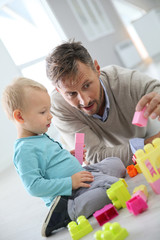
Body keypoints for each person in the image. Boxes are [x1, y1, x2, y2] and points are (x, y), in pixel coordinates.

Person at [2, 77, 126, 237]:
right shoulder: (24, 150)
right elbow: (34, 186)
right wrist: (70, 182)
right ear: (20, 117)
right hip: (68, 195)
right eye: (42, 112)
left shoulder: (38, 136)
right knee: (108, 192)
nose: (50, 116)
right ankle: (67, 213)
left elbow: (51, 163)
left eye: (49, 110)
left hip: (81, 176)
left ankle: (99, 180)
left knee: (116, 163)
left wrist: (69, 156)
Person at [46, 40, 160, 167]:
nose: (85, 101)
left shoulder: (122, 79)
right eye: (71, 94)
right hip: (115, 164)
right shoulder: (58, 107)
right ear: (58, 90)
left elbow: (155, 88)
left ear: (97, 69)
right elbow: (94, 156)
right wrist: (150, 145)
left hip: (145, 134)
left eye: (87, 85)